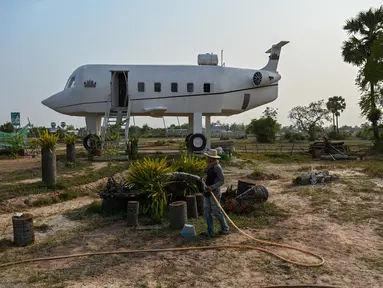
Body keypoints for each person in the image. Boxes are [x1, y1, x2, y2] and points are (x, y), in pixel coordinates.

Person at [200, 149, 230, 238]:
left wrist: (212, 187)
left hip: (215, 192)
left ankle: (225, 229)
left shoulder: (217, 167)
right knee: (206, 211)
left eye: (208, 157)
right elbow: (210, 176)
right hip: (207, 192)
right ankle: (210, 232)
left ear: (211, 158)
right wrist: (205, 179)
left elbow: (221, 180)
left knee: (216, 211)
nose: (206, 158)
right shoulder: (210, 166)